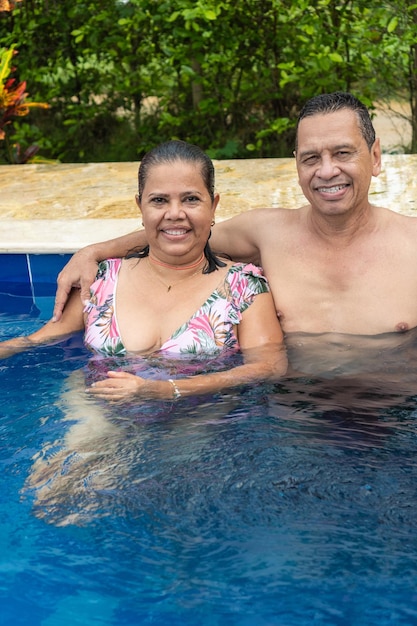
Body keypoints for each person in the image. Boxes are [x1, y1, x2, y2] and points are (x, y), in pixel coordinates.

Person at [53, 92, 417, 345]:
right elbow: (181, 231)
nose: (326, 171)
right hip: (292, 423)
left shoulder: (412, 244)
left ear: (376, 156)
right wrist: (96, 252)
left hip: (392, 421)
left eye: (342, 153)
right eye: (310, 158)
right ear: (296, 164)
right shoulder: (268, 233)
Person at [0, 140, 287, 400]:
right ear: (140, 207)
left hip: (202, 418)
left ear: (213, 206)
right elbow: (37, 339)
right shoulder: (101, 280)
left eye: (191, 199)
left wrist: (165, 390)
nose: (175, 213)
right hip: (99, 414)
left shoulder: (244, 286)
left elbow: (268, 367)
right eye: (159, 200)